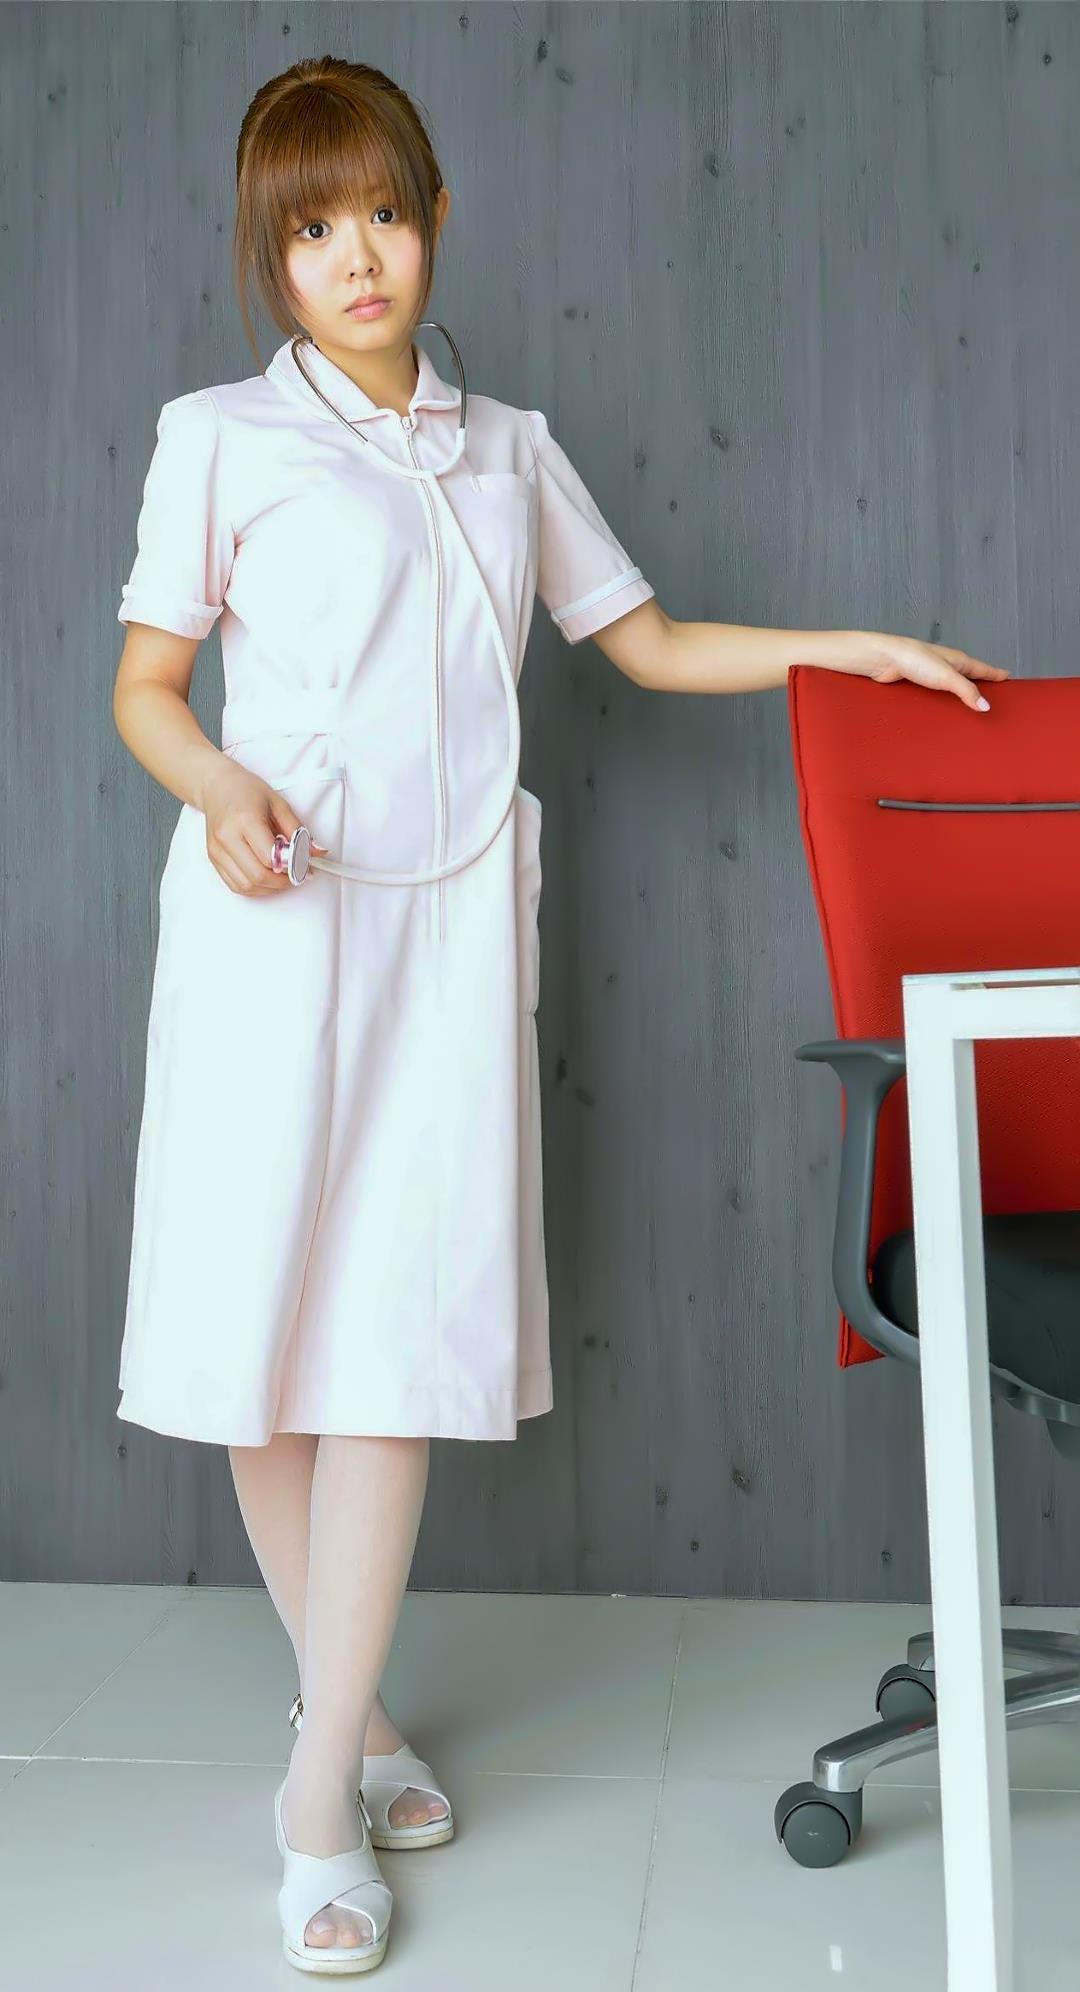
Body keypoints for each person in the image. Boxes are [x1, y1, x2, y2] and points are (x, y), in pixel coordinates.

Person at [110, 52, 1010, 1978]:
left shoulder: (508, 448)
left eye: (384, 212)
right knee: (264, 1348)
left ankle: (315, 1796)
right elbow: (149, 687)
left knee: (391, 1348)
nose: (358, 257)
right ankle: (355, 1726)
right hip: (274, 933)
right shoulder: (220, 438)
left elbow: (648, 641)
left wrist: (848, 646)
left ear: (433, 216)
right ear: (274, 257)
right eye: (313, 230)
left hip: (441, 946)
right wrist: (221, 787)